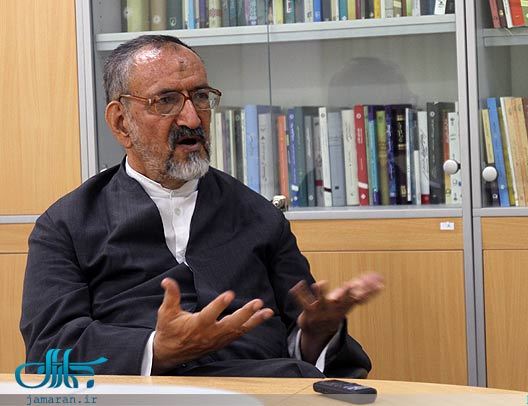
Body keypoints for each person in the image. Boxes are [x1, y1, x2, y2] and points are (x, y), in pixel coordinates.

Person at [20, 35, 383, 378]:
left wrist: (317, 333)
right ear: (121, 123)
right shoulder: (66, 225)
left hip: (260, 393)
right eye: (166, 101)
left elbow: (300, 337)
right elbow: (49, 349)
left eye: (200, 97)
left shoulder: (259, 215)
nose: (192, 119)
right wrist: (157, 350)